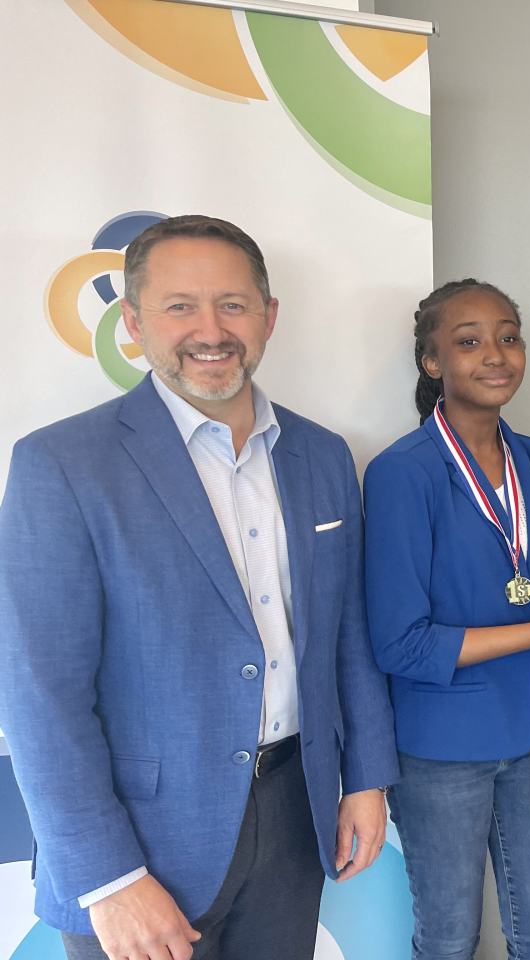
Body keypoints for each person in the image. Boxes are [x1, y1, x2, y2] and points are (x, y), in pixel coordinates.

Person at [0, 215, 399, 960]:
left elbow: (349, 636)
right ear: (134, 322)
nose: (210, 329)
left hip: (293, 816)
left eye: (233, 304)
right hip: (139, 844)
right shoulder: (61, 466)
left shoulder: (322, 456)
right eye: (180, 305)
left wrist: (366, 779)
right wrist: (109, 878)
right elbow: (39, 694)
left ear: (268, 316)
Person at [363, 279, 530, 960]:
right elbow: (402, 644)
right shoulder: (404, 473)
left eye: (508, 336)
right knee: (450, 938)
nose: (495, 354)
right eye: (469, 340)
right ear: (433, 364)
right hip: (442, 748)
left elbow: (528, 594)